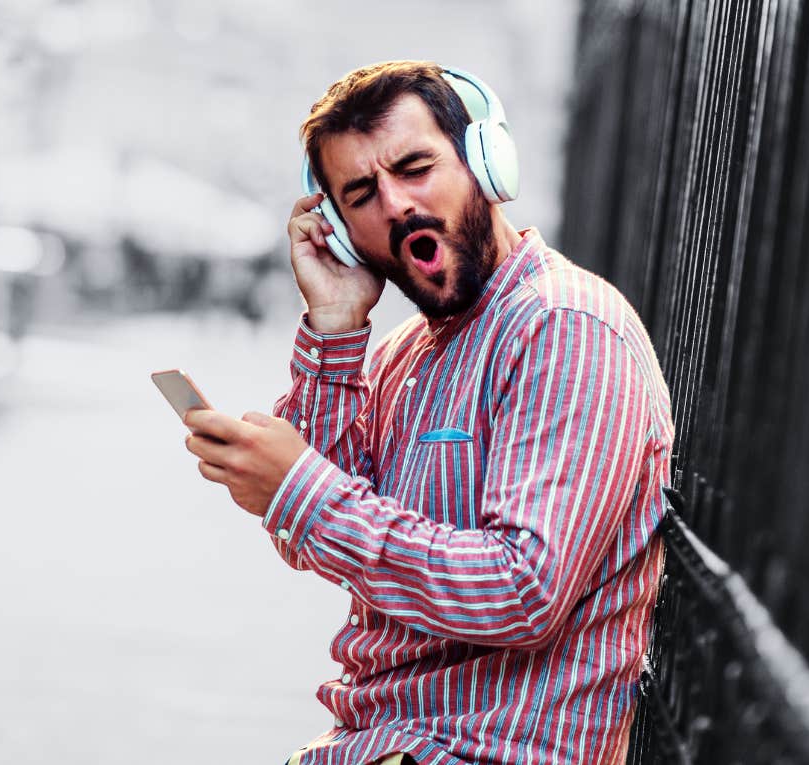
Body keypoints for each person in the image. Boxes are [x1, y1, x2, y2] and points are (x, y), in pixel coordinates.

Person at [183, 61, 675, 765]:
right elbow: (308, 538)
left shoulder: (564, 327)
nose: (396, 205)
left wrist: (300, 490)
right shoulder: (402, 355)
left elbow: (523, 589)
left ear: (485, 163)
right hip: (378, 743)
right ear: (343, 229)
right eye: (361, 194)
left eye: (416, 167)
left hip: (481, 749)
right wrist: (333, 327)